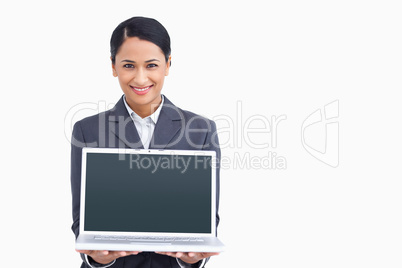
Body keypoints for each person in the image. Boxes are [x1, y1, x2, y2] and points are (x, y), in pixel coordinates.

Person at [70, 16, 221, 268]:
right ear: (113, 66)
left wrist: (193, 260)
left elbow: (206, 221)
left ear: (168, 65)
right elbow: (81, 219)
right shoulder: (87, 130)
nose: (140, 79)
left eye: (151, 65)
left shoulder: (201, 130)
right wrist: (96, 258)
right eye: (129, 65)